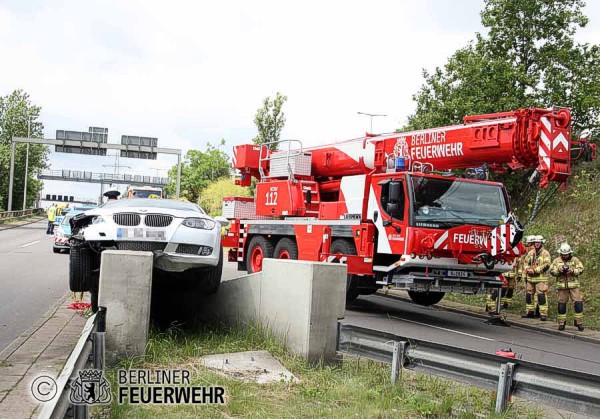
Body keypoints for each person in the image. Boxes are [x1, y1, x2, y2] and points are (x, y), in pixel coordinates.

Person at [550, 243, 585, 331]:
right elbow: (551, 271)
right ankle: (561, 323)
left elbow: (581, 269)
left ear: (570, 253)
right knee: (561, 305)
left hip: (574, 286)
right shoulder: (556, 261)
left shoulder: (575, 260)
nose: (565, 256)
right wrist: (559, 270)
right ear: (560, 253)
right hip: (562, 287)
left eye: (566, 254)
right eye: (563, 254)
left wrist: (573, 270)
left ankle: (578, 322)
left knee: (578, 304)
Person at [522, 235, 551, 320]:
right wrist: (528, 269)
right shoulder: (531, 253)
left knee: (541, 296)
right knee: (529, 295)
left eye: (538, 242)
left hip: (540, 279)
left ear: (542, 243)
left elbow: (547, 265)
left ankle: (543, 314)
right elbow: (525, 263)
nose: (537, 244)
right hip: (530, 278)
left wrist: (535, 270)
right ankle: (529, 312)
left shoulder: (545, 253)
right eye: (536, 242)